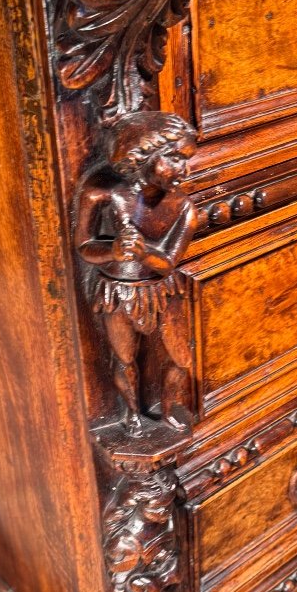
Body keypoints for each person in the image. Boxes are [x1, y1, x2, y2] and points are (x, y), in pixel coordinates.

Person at [75, 112, 198, 436]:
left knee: (181, 359)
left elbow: (169, 261)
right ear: (144, 155)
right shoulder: (100, 193)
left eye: (186, 160)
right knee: (125, 358)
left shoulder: (184, 207)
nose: (185, 170)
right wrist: (113, 251)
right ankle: (130, 414)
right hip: (117, 290)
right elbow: (84, 246)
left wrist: (143, 253)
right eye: (175, 159)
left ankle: (169, 408)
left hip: (162, 288)